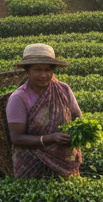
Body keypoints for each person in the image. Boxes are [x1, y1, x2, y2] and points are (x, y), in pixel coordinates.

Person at [5, 43, 82, 178]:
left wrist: (74, 135)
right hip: (32, 163)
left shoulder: (63, 90)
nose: (43, 75)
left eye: (48, 70)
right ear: (27, 71)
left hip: (65, 161)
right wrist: (50, 139)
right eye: (38, 70)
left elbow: (77, 118)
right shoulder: (19, 98)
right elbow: (17, 138)